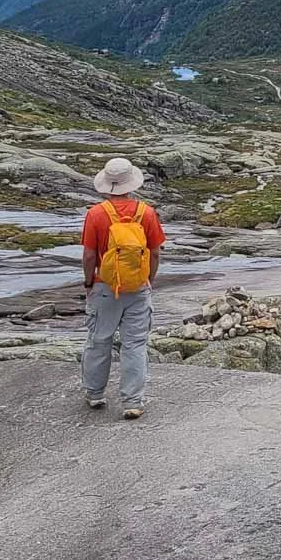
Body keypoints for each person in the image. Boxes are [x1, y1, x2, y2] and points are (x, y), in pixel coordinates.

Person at [80, 157, 165, 420]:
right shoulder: (146, 213)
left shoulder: (96, 214)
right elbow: (155, 253)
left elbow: (89, 256)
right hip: (138, 289)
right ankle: (133, 401)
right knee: (135, 345)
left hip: (105, 288)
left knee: (98, 341)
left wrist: (88, 283)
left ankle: (95, 394)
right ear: (131, 184)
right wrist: (148, 279)